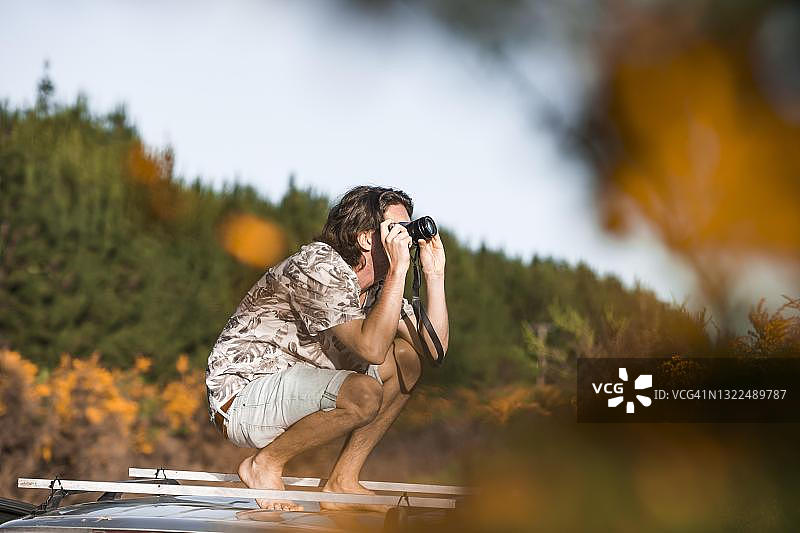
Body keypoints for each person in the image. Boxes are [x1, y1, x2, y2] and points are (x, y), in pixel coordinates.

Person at [205, 185, 449, 511]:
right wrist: (397, 271)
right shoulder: (320, 266)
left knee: (407, 361)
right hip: (242, 398)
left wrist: (434, 274)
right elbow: (372, 350)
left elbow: (435, 351)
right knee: (364, 394)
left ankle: (342, 482)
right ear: (366, 238)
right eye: (397, 229)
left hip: (293, 389)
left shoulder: (378, 290)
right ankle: (263, 465)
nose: (406, 238)